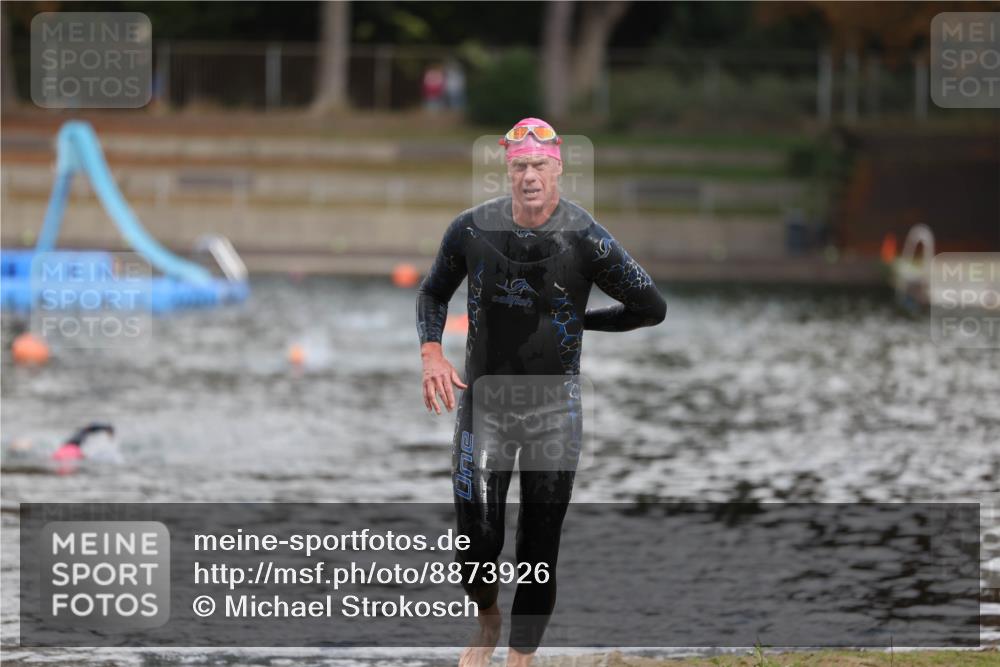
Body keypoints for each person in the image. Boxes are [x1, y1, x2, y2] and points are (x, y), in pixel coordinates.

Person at [416, 118, 666, 667]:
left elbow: (651, 308)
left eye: (540, 165)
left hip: (556, 411)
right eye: (520, 166)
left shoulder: (587, 238)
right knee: (477, 546)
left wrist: (579, 317)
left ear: (559, 168)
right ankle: (487, 618)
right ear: (508, 169)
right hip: (485, 407)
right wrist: (431, 352)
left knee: (538, 547)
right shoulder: (471, 230)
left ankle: (520, 658)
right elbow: (434, 291)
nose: (530, 176)